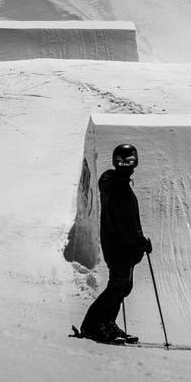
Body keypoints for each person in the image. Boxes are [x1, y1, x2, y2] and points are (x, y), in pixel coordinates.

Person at [78, 144, 153, 343]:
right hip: (120, 246)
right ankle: (93, 326)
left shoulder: (114, 183)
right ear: (115, 162)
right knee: (118, 286)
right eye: (123, 162)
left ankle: (106, 323)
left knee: (122, 286)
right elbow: (127, 225)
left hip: (115, 245)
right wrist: (141, 242)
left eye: (130, 162)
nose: (127, 166)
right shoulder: (120, 189)